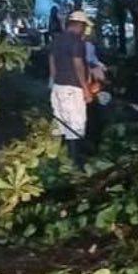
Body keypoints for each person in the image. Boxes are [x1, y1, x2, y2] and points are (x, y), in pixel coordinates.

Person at [49, 9, 93, 165]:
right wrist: (86, 89)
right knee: (76, 124)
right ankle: (75, 162)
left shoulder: (57, 39)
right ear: (80, 25)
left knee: (61, 122)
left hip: (58, 86)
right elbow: (78, 65)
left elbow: (52, 63)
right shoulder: (77, 42)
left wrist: (54, 82)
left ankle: (59, 159)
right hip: (73, 88)